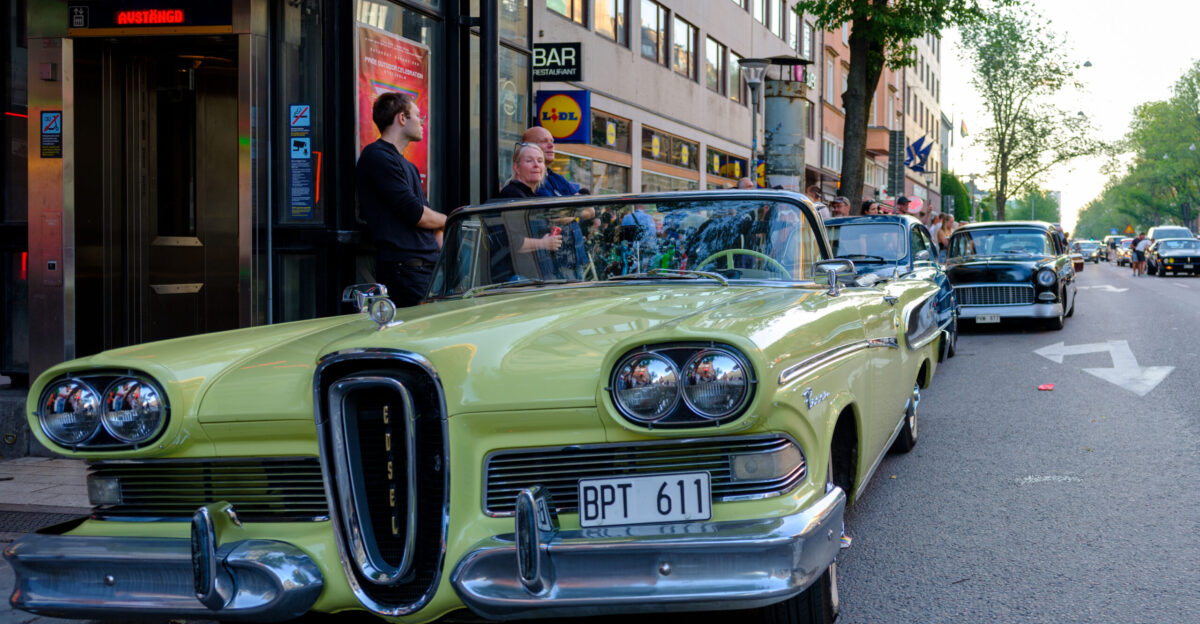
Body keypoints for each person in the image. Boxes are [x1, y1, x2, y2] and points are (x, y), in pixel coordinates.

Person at [356, 92, 446, 307]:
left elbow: (427, 215)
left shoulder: (407, 165)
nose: (422, 122)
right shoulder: (377, 156)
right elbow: (417, 214)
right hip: (405, 270)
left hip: (424, 270)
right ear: (402, 118)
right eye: (418, 116)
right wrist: (452, 219)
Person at [521, 126, 583, 197]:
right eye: (544, 141)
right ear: (527, 146)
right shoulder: (526, 180)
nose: (551, 145)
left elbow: (585, 206)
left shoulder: (558, 178)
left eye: (552, 141)